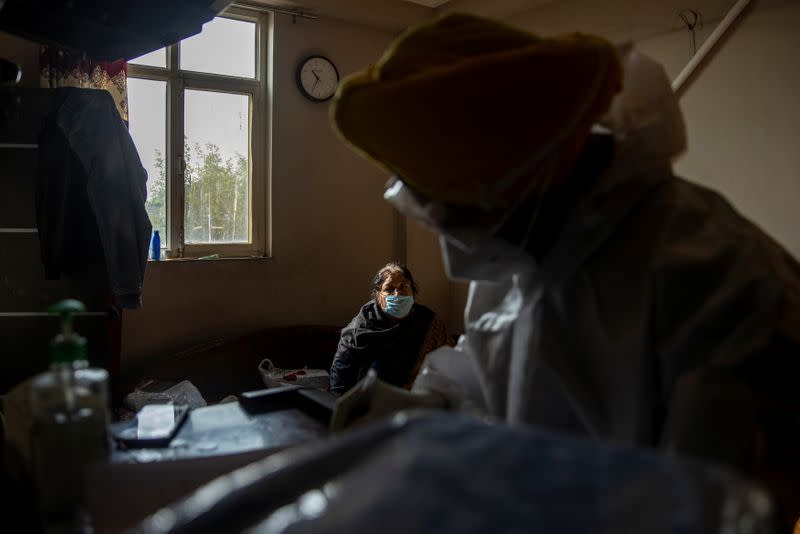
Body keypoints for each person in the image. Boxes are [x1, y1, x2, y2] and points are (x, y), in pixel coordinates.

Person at [328, 12, 800, 528]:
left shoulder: (717, 281)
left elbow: (720, 508)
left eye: (452, 208)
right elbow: (493, 374)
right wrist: (417, 412)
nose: (448, 230)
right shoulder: (528, 256)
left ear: (520, 175)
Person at [329, 262, 453, 396]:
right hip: (370, 404)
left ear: (413, 291)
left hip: (418, 401)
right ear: (377, 295)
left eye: (403, 286)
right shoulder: (358, 330)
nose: (397, 293)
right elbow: (340, 378)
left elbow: (448, 365)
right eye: (389, 289)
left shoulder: (428, 322)